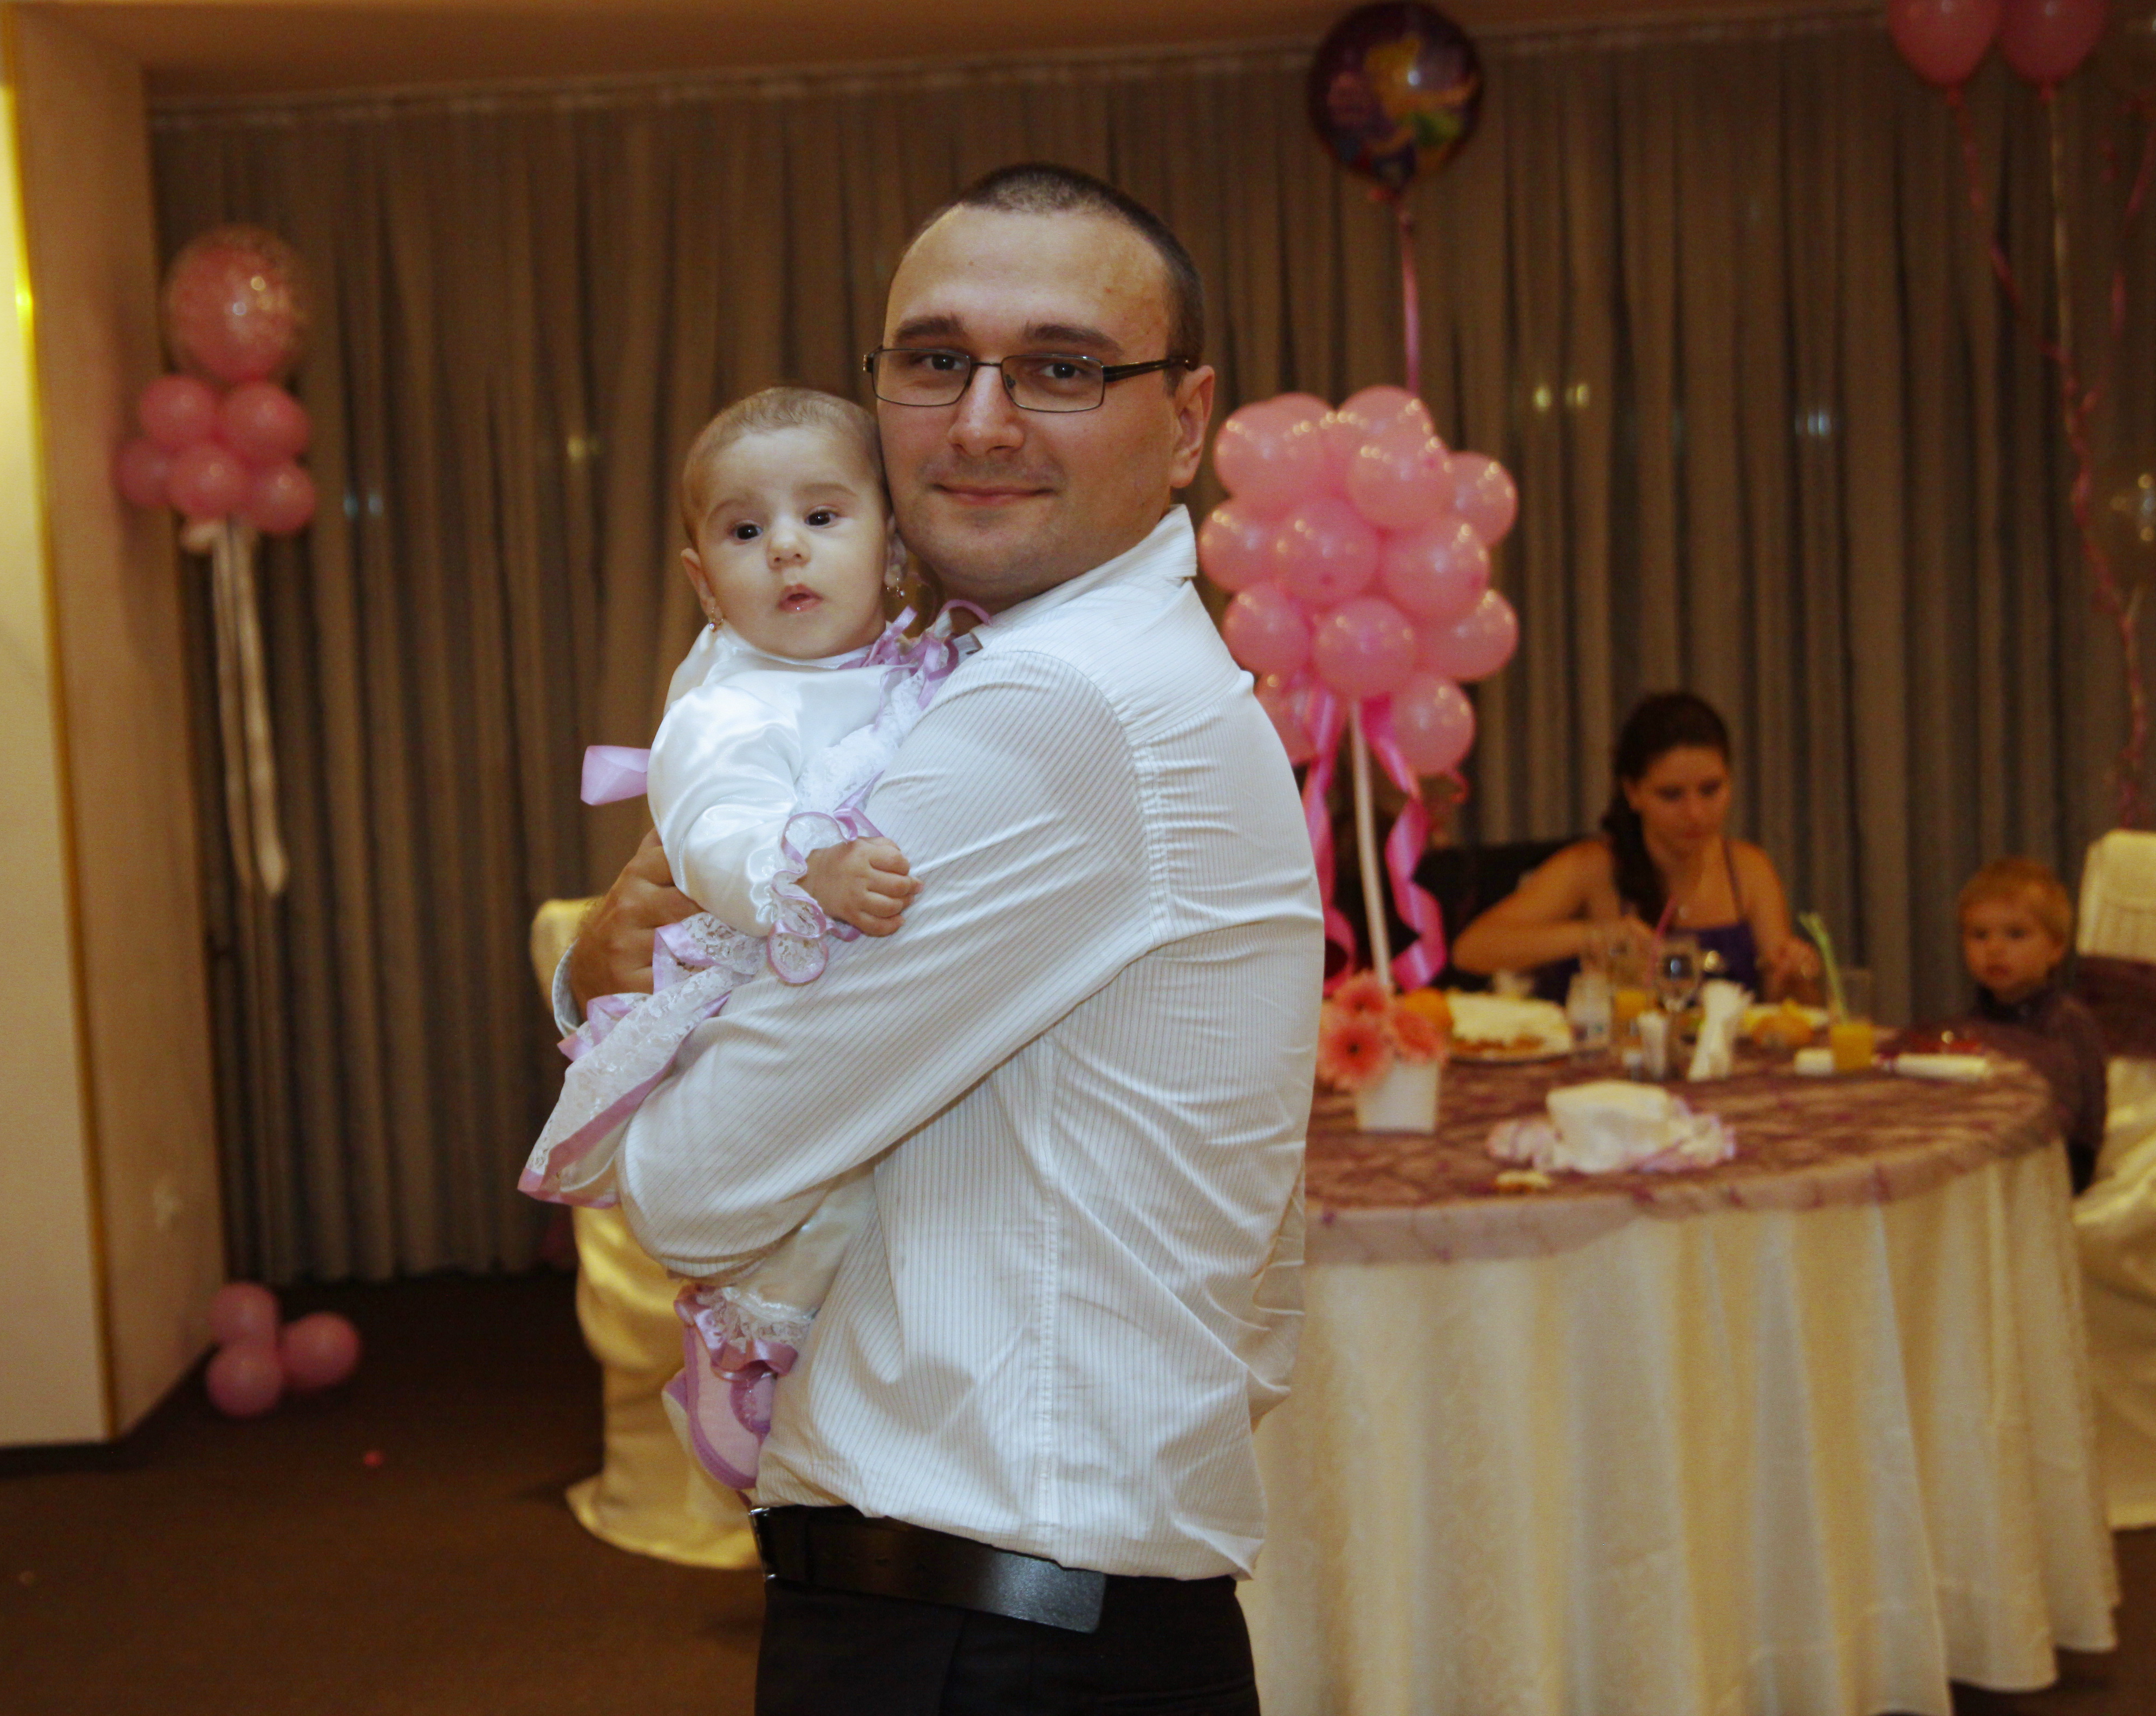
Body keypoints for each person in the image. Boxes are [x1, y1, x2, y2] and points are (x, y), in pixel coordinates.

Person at [554, 163, 1320, 1714]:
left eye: (1060, 368)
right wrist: (616, 965)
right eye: (932, 359)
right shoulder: (1017, 674)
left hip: (988, 1631)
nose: (978, 421)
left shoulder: (1057, 709)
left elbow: (694, 1188)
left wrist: (634, 999)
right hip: (1029, 1603)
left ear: (1184, 421)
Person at [524, 384, 974, 1493]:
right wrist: (800, 870)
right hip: (748, 964)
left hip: (836, 973)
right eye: (744, 530)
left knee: (865, 1191)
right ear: (702, 581)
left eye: (821, 516)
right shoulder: (728, 704)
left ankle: (823, 1363)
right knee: (814, 1187)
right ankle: (747, 1345)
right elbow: (710, 829)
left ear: (890, 542)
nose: (785, 549)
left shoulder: (899, 661)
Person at [1449, 690, 1821, 999]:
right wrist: (1592, 935)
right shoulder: (1594, 867)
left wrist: (1795, 973)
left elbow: (1784, 1008)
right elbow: (1472, 949)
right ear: (1633, 793)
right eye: (1671, 795)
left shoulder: (1748, 868)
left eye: (1711, 790)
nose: (1695, 814)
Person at [1949, 857, 2107, 1192]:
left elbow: (2089, 1113)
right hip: (1990, 1160)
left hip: (2055, 1163)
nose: (1994, 949)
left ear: (2055, 948)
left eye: (2016, 934)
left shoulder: (2070, 1023)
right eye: (1980, 935)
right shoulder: (1969, 1025)